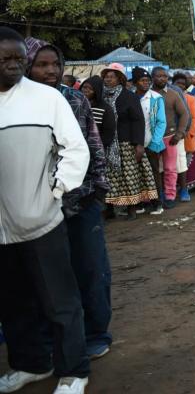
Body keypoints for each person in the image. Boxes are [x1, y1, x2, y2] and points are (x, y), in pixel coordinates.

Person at [0, 27, 92, 394]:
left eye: (18, 59)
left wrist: (54, 191)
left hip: (41, 222)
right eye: (4, 59)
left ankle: (74, 371)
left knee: (60, 301)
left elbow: (76, 149)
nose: (13, 66)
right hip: (1, 232)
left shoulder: (45, 99)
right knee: (14, 304)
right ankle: (31, 364)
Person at [26, 39, 114, 362]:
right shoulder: (19, 105)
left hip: (81, 200)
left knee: (90, 268)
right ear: (27, 66)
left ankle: (95, 333)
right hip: (37, 207)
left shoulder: (74, 99)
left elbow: (91, 149)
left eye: (54, 64)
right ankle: (54, 337)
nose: (50, 71)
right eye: (41, 64)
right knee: (48, 276)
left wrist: (96, 191)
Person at [101, 63, 158, 217]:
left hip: (127, 143)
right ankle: (110, 208)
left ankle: (132, 208)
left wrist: (139, 144)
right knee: (110, 176)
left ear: (120, 79)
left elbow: (138, 120)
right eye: (106, 77)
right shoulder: (102, 97)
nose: (108, 80)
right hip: (108, 144)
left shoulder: (129, 96)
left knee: (129, 176)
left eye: (112, 77)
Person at [152, 67, 190, 209]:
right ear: (152, 77)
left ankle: (170, 196)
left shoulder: (173, 94)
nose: (162, 78)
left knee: (170, 168)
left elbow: (184, 114)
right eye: (159, 76)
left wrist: (180, 133)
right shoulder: (147, 94)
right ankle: (158, 195)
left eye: (165, 76)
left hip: (170, 137)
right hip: (152, 138)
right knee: (156, 169)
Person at [132, 67, 167, 213]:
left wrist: (155, 142)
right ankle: (141, 203)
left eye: (147, 80)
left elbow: (161, 122)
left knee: (154, 174)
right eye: (142, 80)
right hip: (134, 144)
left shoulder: (156, 98)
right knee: (137, 175)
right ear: (135, 82)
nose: (146, 83)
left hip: (151, 143)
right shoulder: (131, 97)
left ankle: (157, 203)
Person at [172, 73, 195, 198]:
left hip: (186, 136)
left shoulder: (190, 98)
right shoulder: (165, 97)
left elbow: (194, 118)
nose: (180, 86)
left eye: (183, 84)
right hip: (170, 135)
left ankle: (185, 190)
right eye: (178, 83)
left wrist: (191, 133)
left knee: (184, 163)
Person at [79, 77, 117, 155]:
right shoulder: (76, 104)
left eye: (91, 89)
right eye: (84, 87)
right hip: (76, 147)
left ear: (97, 91)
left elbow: (108, 134)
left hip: (95, 151)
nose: (86, 90)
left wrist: (96, 148)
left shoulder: (105, 109)